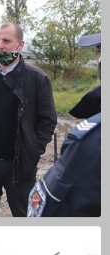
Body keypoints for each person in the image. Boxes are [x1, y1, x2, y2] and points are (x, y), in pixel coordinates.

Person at [0, 22, 57, 217]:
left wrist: (33, 150)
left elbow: (48, 120)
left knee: (25, 216)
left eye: (6, 41)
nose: (0, 46)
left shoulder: (37, 78)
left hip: (19, 165)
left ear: (20, 44)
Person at [28, 32, 101, 217]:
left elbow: (44, 209)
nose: (99, 58)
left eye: (102, 49)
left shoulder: (91, 142)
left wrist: (33, 150)